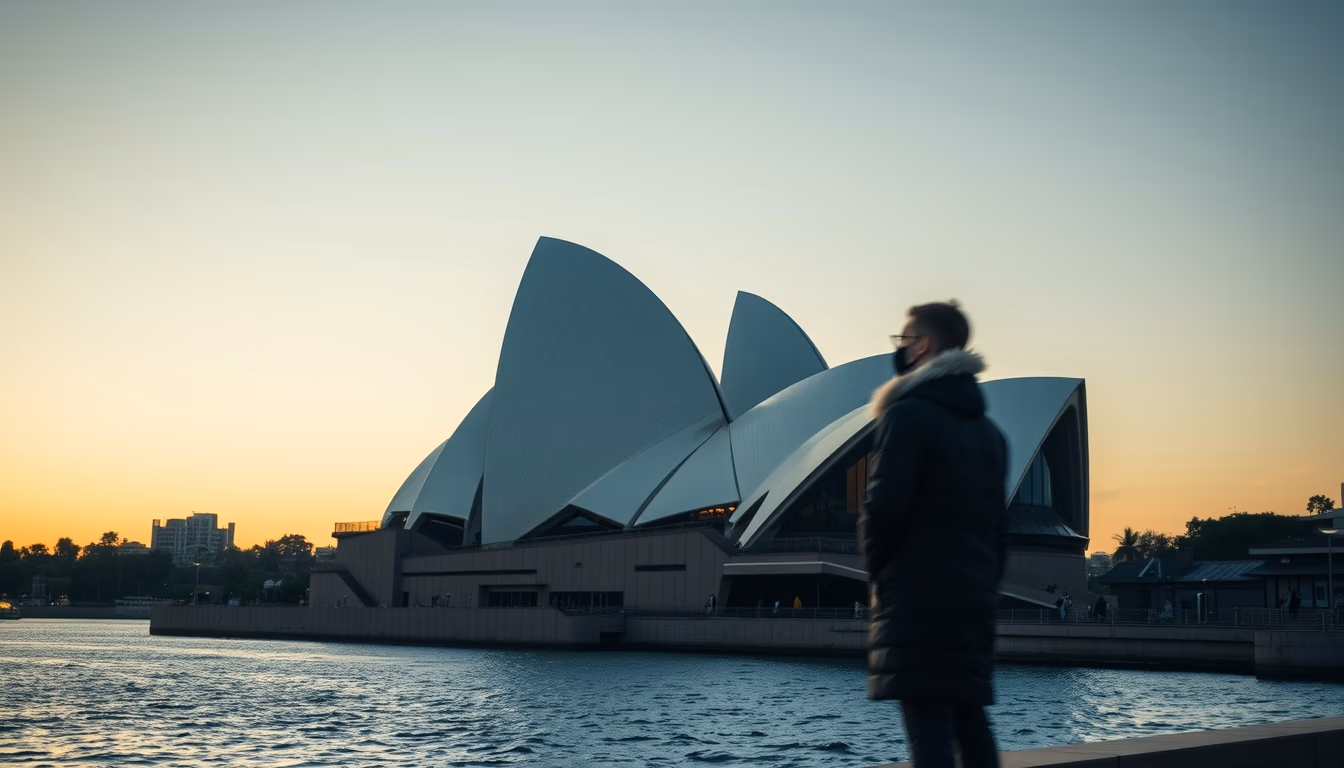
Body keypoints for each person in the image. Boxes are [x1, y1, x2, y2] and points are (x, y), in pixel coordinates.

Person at [859, 301, 1007, 768]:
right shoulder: (990, 434)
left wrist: (879, 573)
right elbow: (998, 532)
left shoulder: (907, 416)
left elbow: (884, 507)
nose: (899, 350)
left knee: (929, 731)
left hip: (917, 597)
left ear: (922, 345)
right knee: (970, 720)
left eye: (903, 341)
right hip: (972, 599)